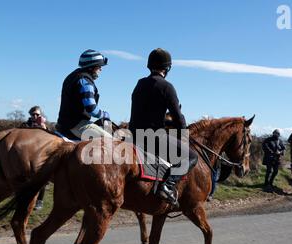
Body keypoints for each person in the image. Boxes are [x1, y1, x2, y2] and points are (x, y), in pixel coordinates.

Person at [129, 48, 198, 205]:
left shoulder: (139, 84)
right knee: (191, 157)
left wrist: (166, 123)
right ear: (167, 68)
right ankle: (167, 186)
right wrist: (184, 136)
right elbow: (178, 117)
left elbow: (146, 114)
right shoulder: (166, 86)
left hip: (133, 135)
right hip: (152, 138)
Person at [55, 49, 112, 140]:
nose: (101, 69)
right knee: (111, 141)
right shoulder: (85, 82)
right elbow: (91, 108)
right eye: (99, 66)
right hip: (76, 125)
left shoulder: (73, 76)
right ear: (91, 67)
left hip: (64, 123)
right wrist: (104, 115)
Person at [20, 106, 48, 210]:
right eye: (33, 114)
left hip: (39, 155)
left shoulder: (43, 125)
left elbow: (48, 138)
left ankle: (39, 201)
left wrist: (42, 126)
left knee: (42, 179)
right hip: (27, 154)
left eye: (37, 114)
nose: (35, 116)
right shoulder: (25, 125)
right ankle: (25, 199)